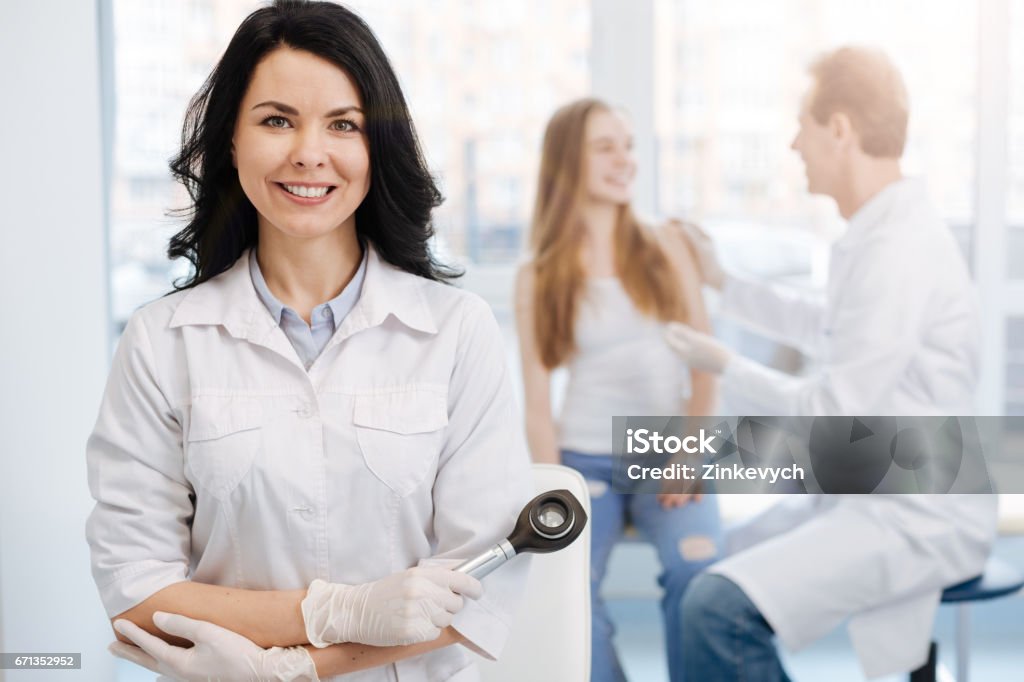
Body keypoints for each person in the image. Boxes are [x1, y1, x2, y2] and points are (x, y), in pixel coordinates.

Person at [85, 2, 531, 680]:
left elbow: (479, 587)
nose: (308, 153)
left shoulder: (456, 331)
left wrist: (296, 670)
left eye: (343, 124)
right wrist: (337, 612)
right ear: (231, 142)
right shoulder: (160, 342)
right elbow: (135, 591)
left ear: (376, 147)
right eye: (275, 120)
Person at [665, 46, 998, 680]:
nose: (794, 143)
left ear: (839, 130)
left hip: (920, 511)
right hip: (875, 485)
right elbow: (828, 326)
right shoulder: (877, 234)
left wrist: (725, 363)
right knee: (700, 569)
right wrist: (723, 283)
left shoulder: (899, 247)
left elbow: (834, 412)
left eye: (803, 125)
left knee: (716, 606)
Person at [514, 97, 722, 682]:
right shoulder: (538, 273)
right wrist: (552, 489)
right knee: (567, 589)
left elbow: (708, 366)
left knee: (699, 577)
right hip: (585, 462)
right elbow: (537, 402)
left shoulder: (667, 246)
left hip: (669, 454)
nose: (624, 159)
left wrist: (689, 452)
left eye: (627, 145)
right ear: (568, 163)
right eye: (606, 146)